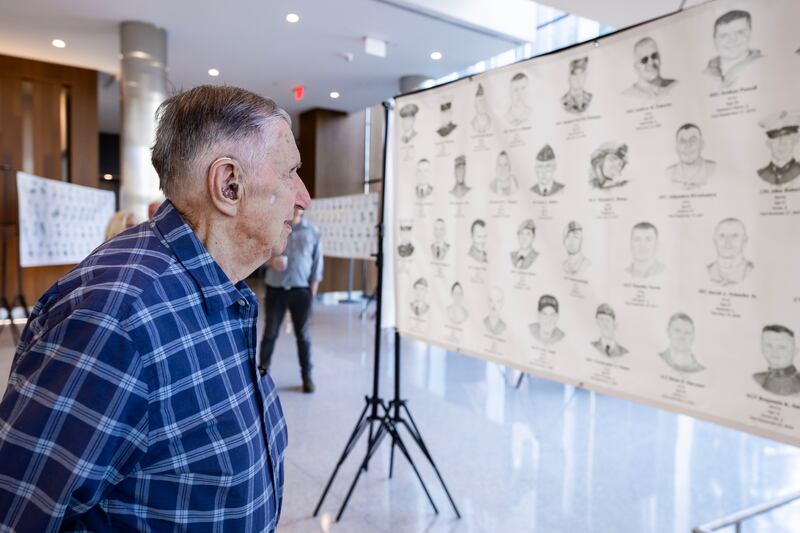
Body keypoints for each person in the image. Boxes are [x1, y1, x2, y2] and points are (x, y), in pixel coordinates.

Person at [0, 85, 310, 531]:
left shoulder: (221, 289)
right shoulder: (115, 319)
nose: (304, 197)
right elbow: (19, 513)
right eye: (290, 174)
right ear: (229, 184)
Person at [258, 209, 323, 393]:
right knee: (270, 333)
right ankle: (262, 374)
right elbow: (259, 256)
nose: (296, 208)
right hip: (275, 290)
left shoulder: (312, 232)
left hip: (301, 291)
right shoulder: (273, 228)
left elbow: (317, 266)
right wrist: (271, 263)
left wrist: (312, 296)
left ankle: (307, 377)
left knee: (303, 336)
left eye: (300, 205)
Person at [703, 10, 762, 88]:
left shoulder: (765, 67)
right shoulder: (704, 74)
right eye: (724, 35)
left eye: (740, 32)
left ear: (750, 33)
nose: (732, 40)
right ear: (715, 40)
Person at [665, 123, 717, 189]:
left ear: (702, 145)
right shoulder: (668, 173)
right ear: (676, 148)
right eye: (683, 141)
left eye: (692, 140)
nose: (688, 145)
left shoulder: (714, 169)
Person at [753, 325, 800, 396]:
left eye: (782, 347)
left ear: (795, 351)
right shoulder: (756, 379)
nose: (774, 352)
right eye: (769, 345)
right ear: (762, 348)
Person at [757, 110, 800, 186]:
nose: (781, 143)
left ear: (795, 140)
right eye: (776, 137)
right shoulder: (761, 175)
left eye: (787, 137)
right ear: (768, 143)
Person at [707, 217, 754, 286]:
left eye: (734, 236)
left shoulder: (751, 270)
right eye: (722, 235)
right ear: (715, 241)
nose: (727, 242)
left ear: (744, 241)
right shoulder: (707, 271)